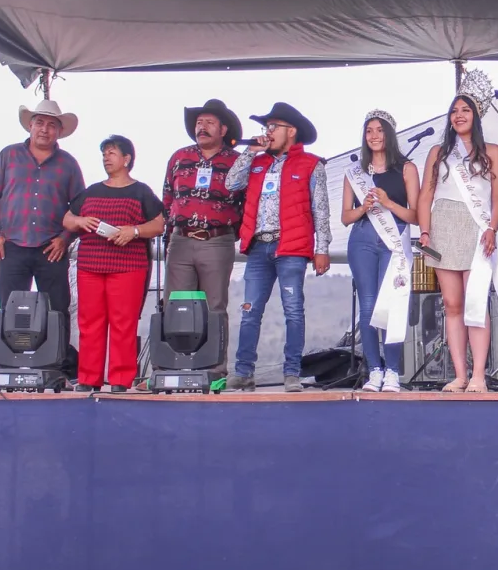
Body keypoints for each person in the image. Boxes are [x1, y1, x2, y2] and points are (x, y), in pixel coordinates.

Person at [226, 102, 331, 392]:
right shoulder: (257, 162)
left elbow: (321, 210)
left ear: (291, 131)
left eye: (273, 127)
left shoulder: (311, 164)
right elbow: (231, 184)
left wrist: (321, 248)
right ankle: (243, 371)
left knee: (293, 310)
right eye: (266, 128)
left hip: (292, 249)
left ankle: (292, 372)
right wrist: (249, 152)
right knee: (250, 310)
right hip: (259, 246)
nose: (267, 133)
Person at [418, 70, 498, 393]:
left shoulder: (492, 152)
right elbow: (425, 195)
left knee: (475, 302)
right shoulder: (437, 153)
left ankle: (479, 375)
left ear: (477, 115)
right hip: (443, 224)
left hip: (477, 227)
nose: (458, 115)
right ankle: (460, 374)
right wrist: (425, 231)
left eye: (465, 110)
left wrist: (492, 228)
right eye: (454, 111)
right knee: (451, 304)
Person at [62, 136, 165, 393]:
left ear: (127, 159)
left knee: (123, 323)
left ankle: (120, 380)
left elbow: (160, 223)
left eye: (111, 153)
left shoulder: (141, 191)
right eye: (104, 154)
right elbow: (67, 218)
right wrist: (79, 222)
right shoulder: (91, 191)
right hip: (90, 266)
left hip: (129, 267)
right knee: (90, 323)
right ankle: (88, 378)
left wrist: (135, 231)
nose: (106, 157)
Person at [0, 99, 85, 325]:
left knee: (57, 312)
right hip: (11, 246)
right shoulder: (9, 156)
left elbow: (80, 209)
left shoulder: (69, 164)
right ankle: (11, 361)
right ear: (30, 126)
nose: (45, 129)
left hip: (51, 249)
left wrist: (65, 239)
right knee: (10, 310)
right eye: (40, 122)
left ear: (59, 131)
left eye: (51, 125)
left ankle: (57, 361)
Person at [163, 98, 246, 383]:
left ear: (223, 129)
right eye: (199, 122)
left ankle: (214, 369)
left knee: (214, 306)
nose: (202, 127)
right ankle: (172, 366)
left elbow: (247, 203)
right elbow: (167, 199)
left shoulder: (237, 161)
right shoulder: (179, 157)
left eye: (210, 122)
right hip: (180, 241)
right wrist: (168, 237)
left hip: (217, 240)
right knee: (177, 303)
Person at [342, 109, 420, 393]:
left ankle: (392, 372)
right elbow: (345, 218)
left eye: (379, 130)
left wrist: (387, 203)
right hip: (362, 238)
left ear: (389, 133)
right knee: (368, 305)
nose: (374, 136)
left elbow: (416, 215)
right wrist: (363, 208)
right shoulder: (355, 173)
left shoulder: (407, 169)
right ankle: (374, 369)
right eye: (369, 131)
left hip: (394, 238)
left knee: (393, 304)